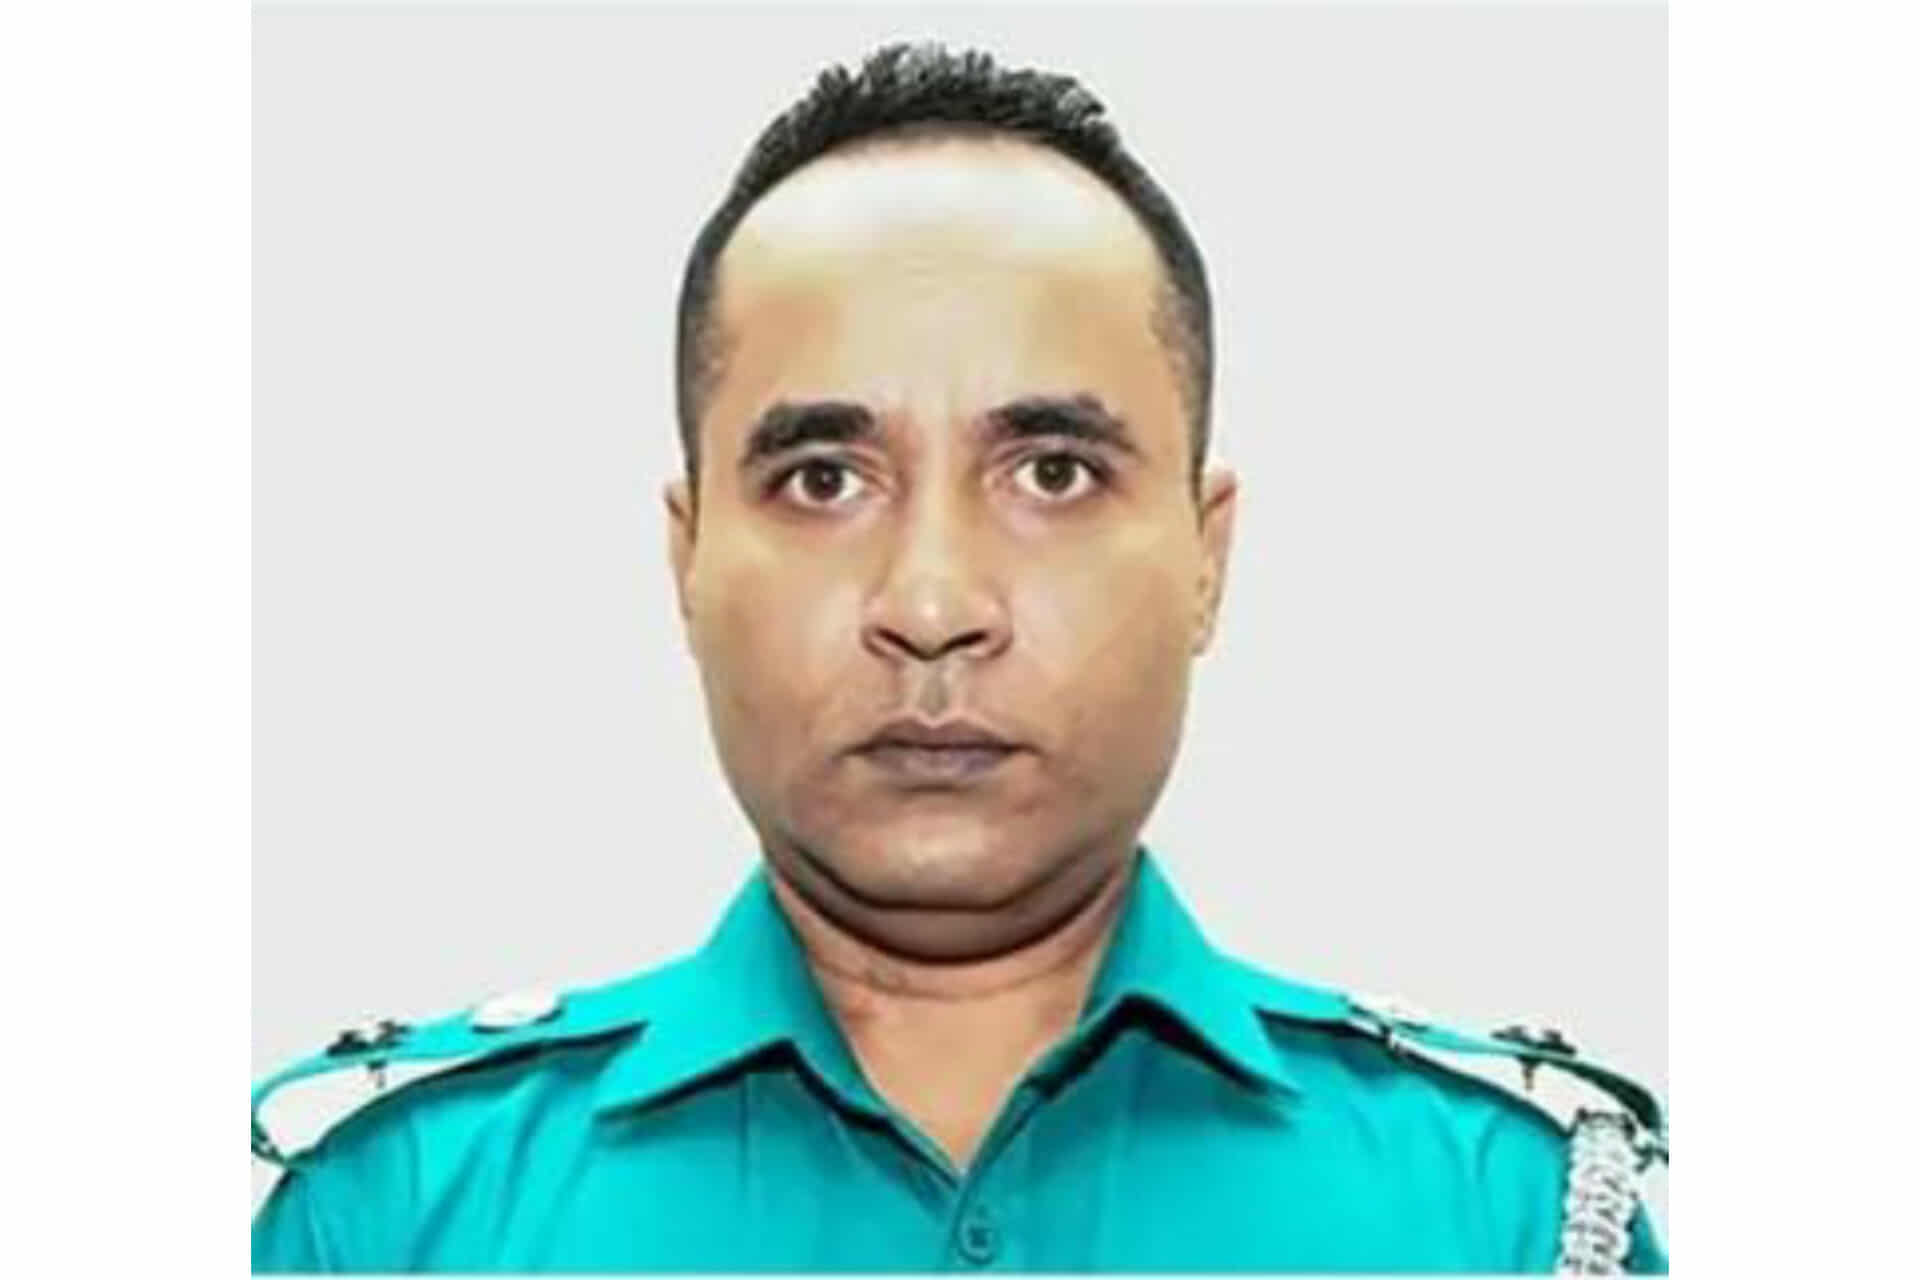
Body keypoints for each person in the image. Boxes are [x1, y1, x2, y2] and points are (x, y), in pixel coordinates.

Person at [252, 40, 1667, 1273]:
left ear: (1206, 554)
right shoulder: (394, 1215)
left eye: (1053, 472)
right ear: (688, 557)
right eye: (822, 480)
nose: (932, 601)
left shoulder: (1507, 1216)